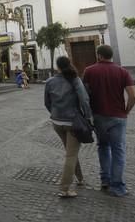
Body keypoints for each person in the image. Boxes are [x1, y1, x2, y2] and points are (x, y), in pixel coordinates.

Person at [82, 45, 135, 197]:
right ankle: (117, 186)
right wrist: (127, 110)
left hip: (98, 116)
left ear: (99, 55)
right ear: (111, 56)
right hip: (118, 117)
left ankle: (105, 180)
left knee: (103, 146)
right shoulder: (122, 71)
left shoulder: (89, 71)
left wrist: (88, 114)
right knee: (118, 150)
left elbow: (85, 96)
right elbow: (133, 95)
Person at [44, 56, 93, 198]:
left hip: (57, 122)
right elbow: (84, 99)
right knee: (71, 154)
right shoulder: (74, 79)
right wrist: (88, 117)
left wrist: (54, 113)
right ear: (69, 64)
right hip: (72, 122)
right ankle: (64, 188)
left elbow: (47, 102)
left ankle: (80, 178)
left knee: (71, 151)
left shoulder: (50, 81)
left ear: (57, 66)